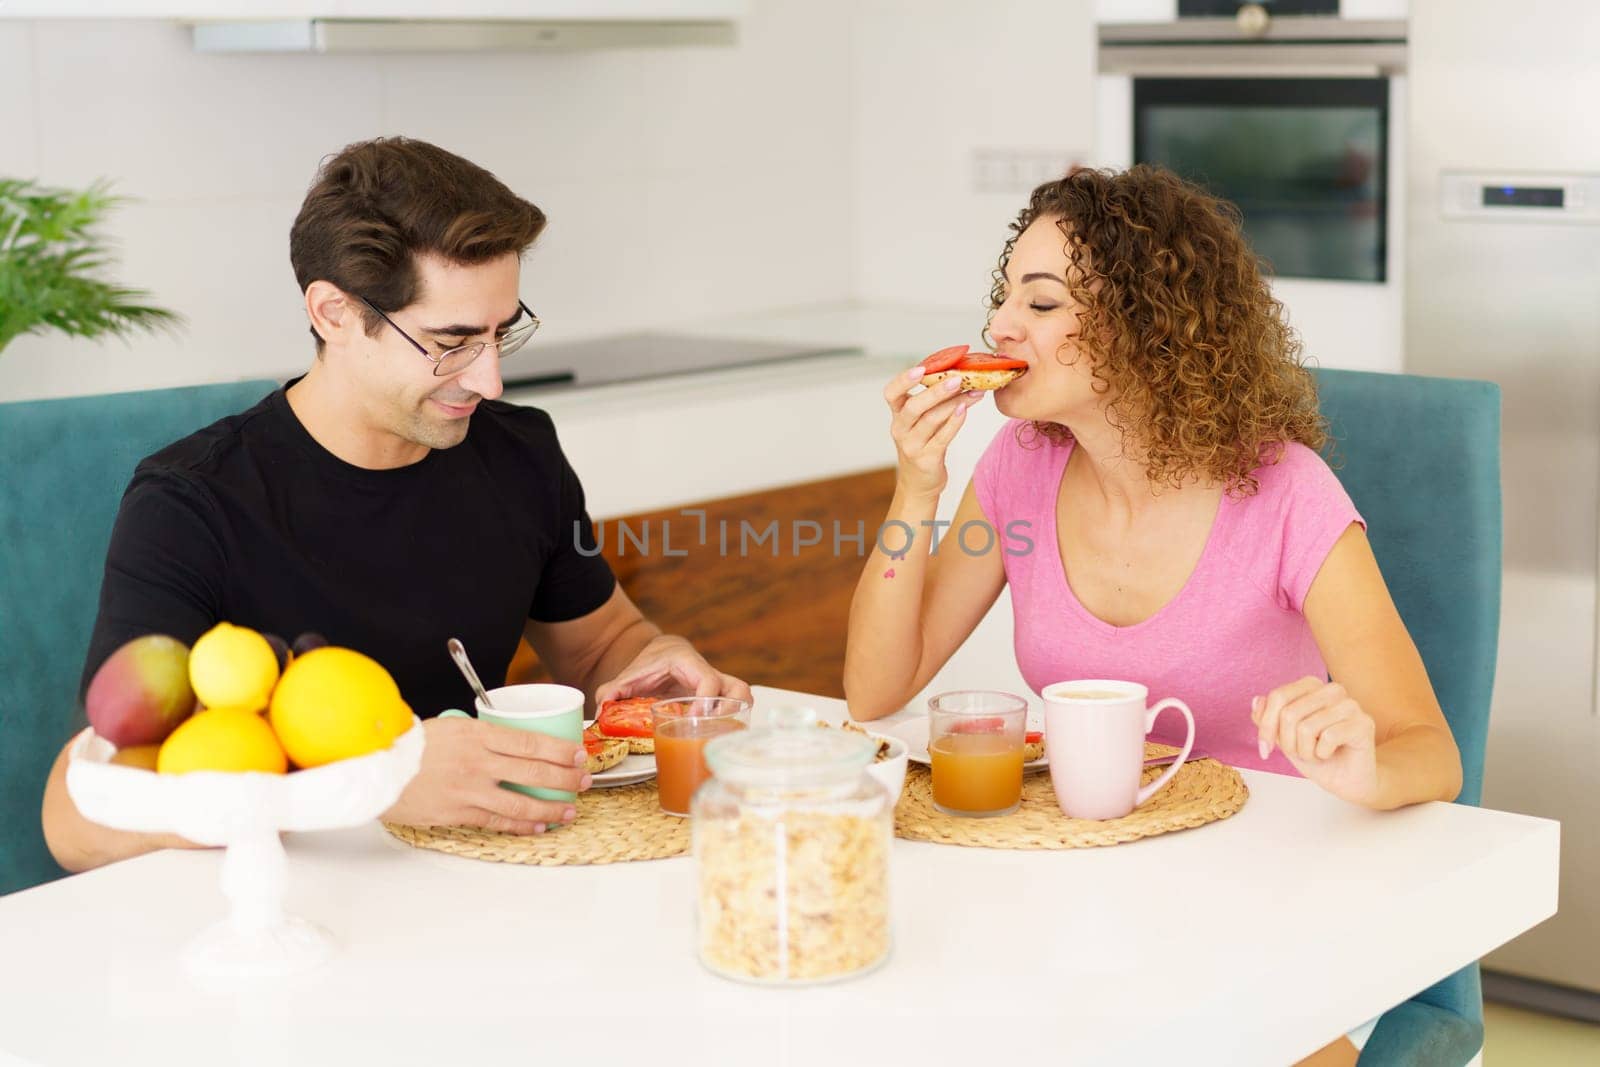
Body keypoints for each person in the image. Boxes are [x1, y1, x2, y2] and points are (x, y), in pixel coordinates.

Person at [844, 163, 1461, 1064]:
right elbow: (875, 685)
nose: (1000, 326)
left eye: (1044, 303)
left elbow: (1429, 750)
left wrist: (1362, 767)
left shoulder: (1285, 492)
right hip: (1096, 899)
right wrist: (915, 485)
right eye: (1005, 296)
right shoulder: (1019, 466)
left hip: (1273, 898)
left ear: (1145, 323)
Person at [42, 137, 750, 873]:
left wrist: (657, 660)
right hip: (282, 916)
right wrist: (374, 781)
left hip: (484, 890)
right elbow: (76, 819)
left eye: (501, 332)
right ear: (334, 312)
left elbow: (603, 646)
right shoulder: (190, 506)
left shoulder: (521, 454)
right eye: (451, 342)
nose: (492, 380)